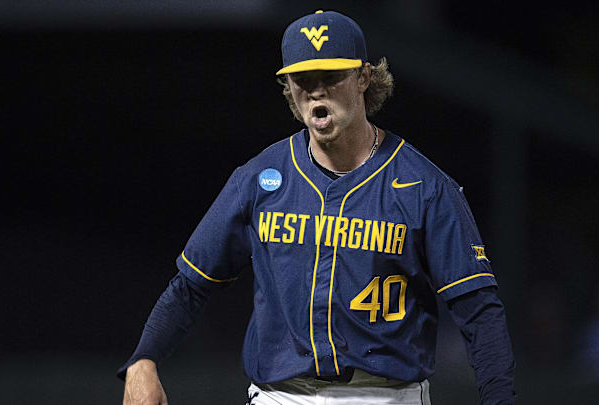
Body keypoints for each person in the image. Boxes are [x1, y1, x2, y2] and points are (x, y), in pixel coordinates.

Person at [119, 10, 516, 405]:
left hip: (385, 395)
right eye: (303, 80)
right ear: (288, 86)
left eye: (331, 77)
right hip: (280, 396)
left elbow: (479, 312)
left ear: (363, 78)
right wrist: (143, 358)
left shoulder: (425, 187)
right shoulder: (260, 178)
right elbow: (191, 284)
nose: (316, 92)